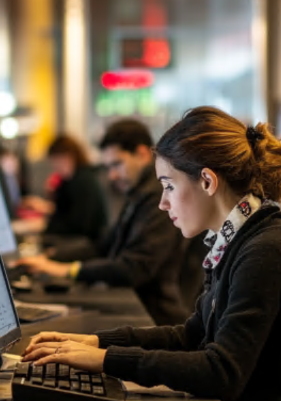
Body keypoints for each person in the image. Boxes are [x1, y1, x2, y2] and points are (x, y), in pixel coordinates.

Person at [22, 106, 281, 401]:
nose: (163, 202)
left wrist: (107, 360)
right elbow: (192, 335)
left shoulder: (267, 250)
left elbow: (221, 373)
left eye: (169, 185)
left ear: (207, 181)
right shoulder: (239, 238)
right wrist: (94, 343)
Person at [18, 119, 192, 326]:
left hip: (159, 318)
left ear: (143, 154)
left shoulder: (157, 199)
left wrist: (66, 270)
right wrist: (52, 257)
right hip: (142, 308)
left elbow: (134, 268)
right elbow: (104, 243)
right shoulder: (138, 193)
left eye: (117, 164)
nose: (112, 175)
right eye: (108, 167)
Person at [21, 135, 108, 247]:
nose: (54, 166)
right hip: (78, 240)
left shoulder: (83, 181)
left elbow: (79, 225)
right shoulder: (73, 179)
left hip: (84, 243)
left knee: (36, 247)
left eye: (55, 161)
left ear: (67, 157)